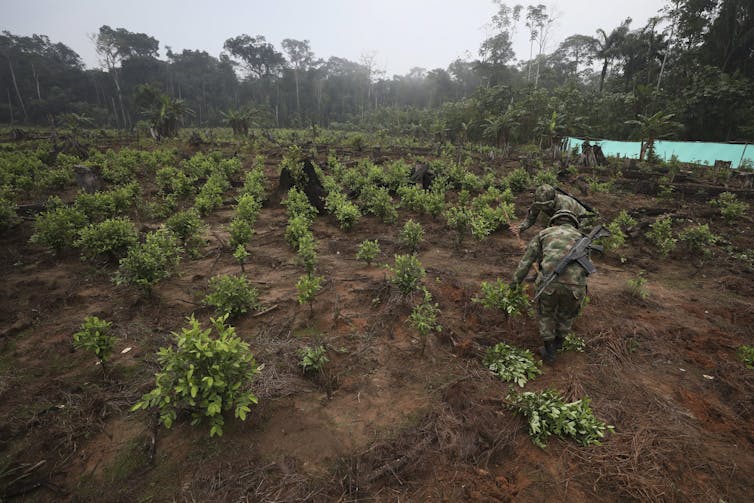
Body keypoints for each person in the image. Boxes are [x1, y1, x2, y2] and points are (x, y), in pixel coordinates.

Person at [511, 210, 588, 364]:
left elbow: (526, 261)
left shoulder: (544, 233)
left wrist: (514, 283)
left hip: (549, 283)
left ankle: (550, 351)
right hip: (575, 286)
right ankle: (559, 343)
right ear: (574, 223)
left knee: (545, 314)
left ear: (554, 222)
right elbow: (587, 268)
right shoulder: (582, 238)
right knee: (566, 315)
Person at [515, 184, 590, 234]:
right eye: (541, 206)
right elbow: (530, 219)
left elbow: (566, 228)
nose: (544, 208)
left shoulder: (564, 204)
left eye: (547, 205)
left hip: (581, 219)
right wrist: (520, 228)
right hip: (557, 216)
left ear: (554, 200)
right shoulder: (538, 203)